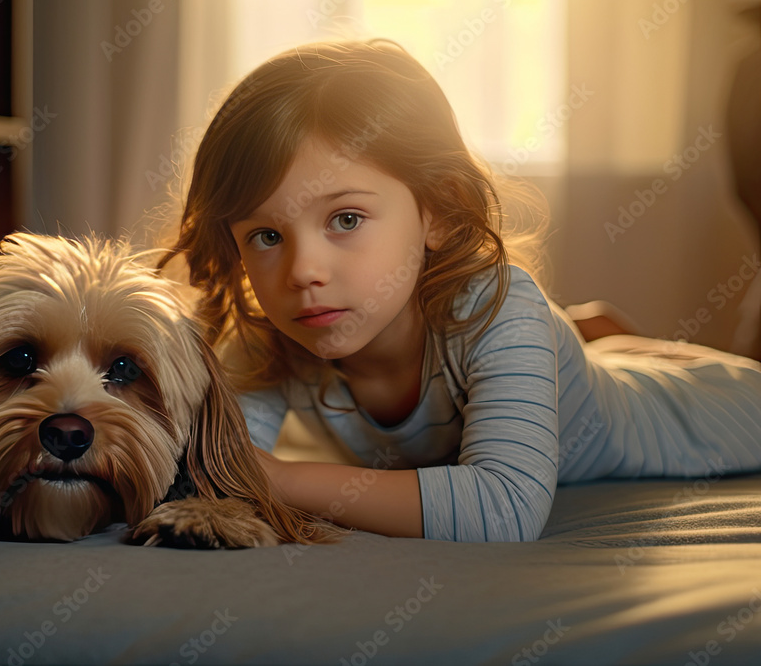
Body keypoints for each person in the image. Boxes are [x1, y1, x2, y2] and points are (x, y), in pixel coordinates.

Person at [159, 40, 761, 542]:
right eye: (266, 234)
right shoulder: (275, 331)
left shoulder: (497, 304)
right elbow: (216, 466)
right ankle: (587, 336)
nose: (302, 271)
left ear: (438, 212)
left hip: (691, 412)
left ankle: (587, 344)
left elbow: (504, 506)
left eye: (345, 219)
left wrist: (282, 480)